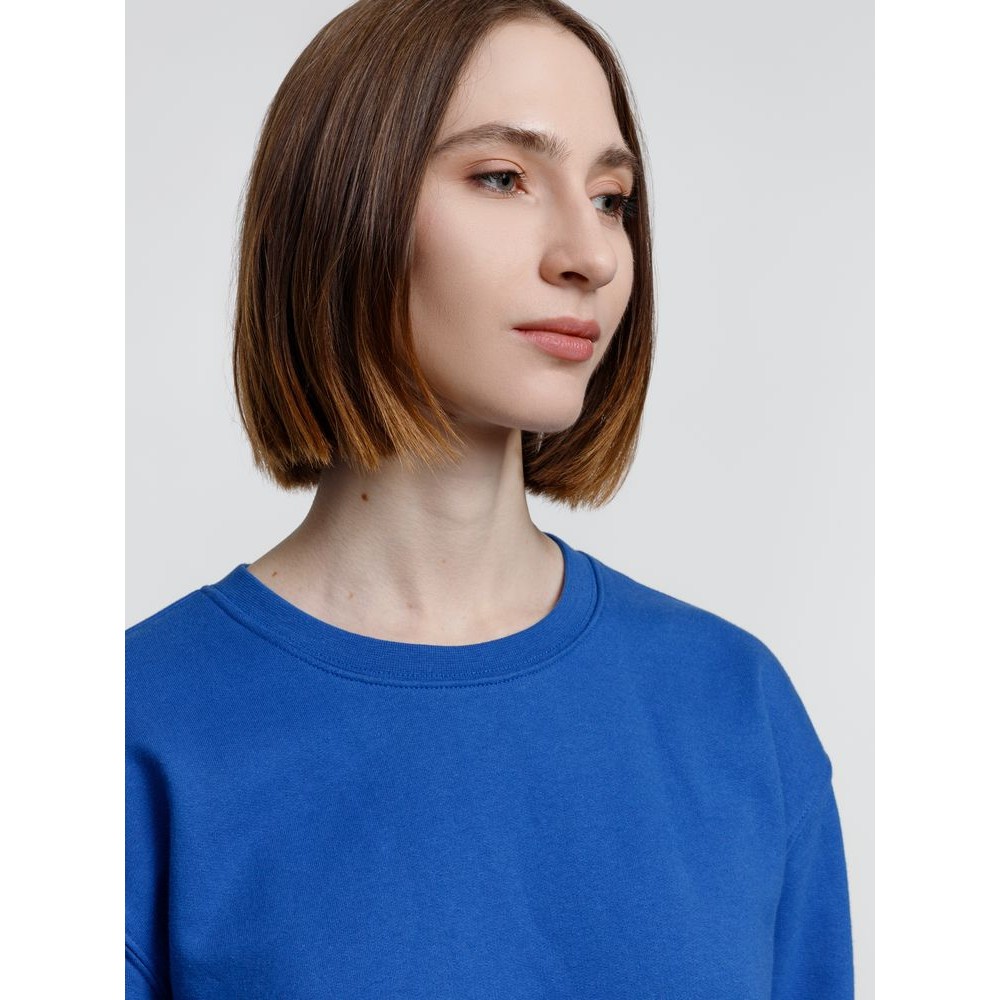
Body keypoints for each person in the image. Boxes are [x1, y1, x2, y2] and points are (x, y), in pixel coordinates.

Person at [126, 0, 854, 996]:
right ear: (341, 209)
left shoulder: (735, 710)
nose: (590, 255)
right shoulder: (136, 725)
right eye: (503, 178)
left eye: (610, 197)